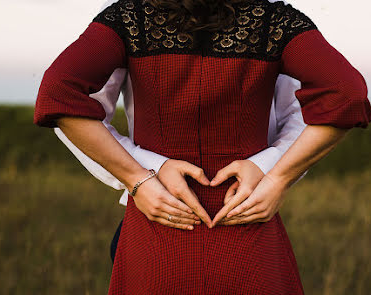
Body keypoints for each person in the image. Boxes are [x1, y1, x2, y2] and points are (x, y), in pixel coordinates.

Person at [33, 0, 371, 293]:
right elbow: (347, 94)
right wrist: (275, 177)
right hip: (244, 224)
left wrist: (140, 177)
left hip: (157, 226)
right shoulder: (276, 23)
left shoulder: (129, 20)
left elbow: (57, 94)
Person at [52, 0, 310, 265]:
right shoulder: (130, 14)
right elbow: (70, 106)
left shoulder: (269, 18)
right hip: (156, 212)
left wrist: (272, 173)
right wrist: (139, 177)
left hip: (248, 213)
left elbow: (302, 113)